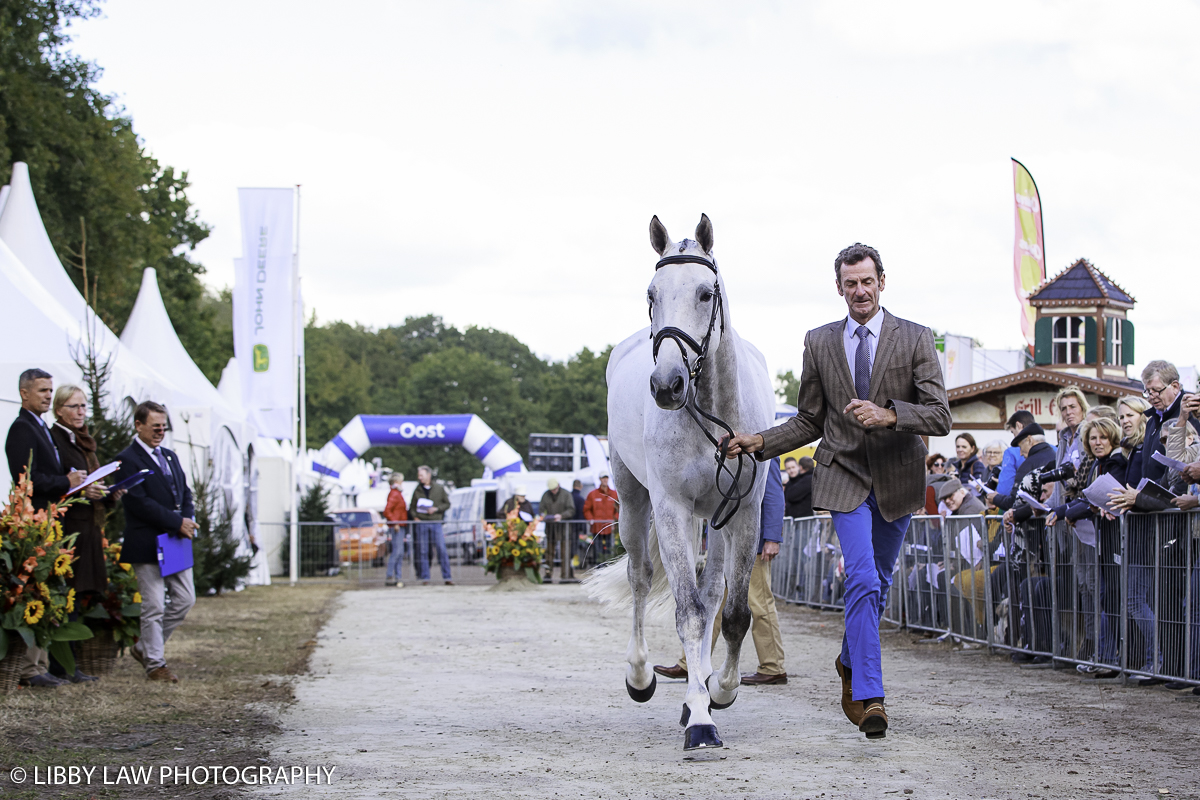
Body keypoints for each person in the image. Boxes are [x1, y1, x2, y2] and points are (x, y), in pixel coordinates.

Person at [722, 242, 951, 739]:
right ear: (840, 287)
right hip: (843, 475)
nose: (860, 290)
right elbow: (809, 419)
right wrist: (759, 441)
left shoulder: (914, 337)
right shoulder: (819, 341)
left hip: (897, 476)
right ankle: (871, 697)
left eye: (867, 281)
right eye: (851, 283)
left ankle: (849, 658)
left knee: (880, 581)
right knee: (863, 579)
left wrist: (890, 414)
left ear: (881, 282)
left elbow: (940, 414)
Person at [653, 467, 788, 686]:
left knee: (759, 603)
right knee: (712, 602)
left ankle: (773, 667)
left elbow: (772, 493)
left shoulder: (762, 437)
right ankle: (690, 662)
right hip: (725, 543)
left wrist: (772, 537)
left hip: (751, 543)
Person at [5, 369, 86, 688]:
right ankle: (30, 669)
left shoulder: (41, 428)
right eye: (41, 390)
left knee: (49, 592)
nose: (48, 396)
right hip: (36, 521)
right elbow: (28, 478)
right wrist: (65, 481)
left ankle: (40, 663)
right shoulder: (22, 429)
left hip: (52, 521)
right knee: (36, 590)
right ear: (24, 393)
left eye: (50, 390)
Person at [114, 401, 196, 683]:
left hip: (175, 540)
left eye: (163, 426)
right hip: (147, 542)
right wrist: (177, 522)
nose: (160, 431)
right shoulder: (127, 459)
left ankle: (144, 647)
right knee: (154, 606)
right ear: (139, 425)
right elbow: (139, 502)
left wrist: (187, 519)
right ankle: (155, 663)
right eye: (155, 427)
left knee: (185, 599)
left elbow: (185, 493)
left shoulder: (170, 457)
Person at [50, 384, 122, 683]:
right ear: (59, 410)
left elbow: (88, 483)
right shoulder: (56, 439)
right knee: (68, 594)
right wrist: (81, 488)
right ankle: (61, 665)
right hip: (70, 528)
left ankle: (72, 663)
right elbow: (59, 483)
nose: (80, 412)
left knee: (79, 595)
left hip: (87, 525)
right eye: (74, 407)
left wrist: (108, 493)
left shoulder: (83, 442)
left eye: (83, 407)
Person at [410, 465, 452, 585]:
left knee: (441, 549)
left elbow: (447, 504)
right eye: (419, 475)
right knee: (423, 551)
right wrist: (415, 516)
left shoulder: (439, 488)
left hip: (435, 522)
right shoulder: (417, 490)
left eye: (421, 475)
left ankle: (447, 577)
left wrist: (437, 509)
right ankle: (425, 577)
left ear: (428, 475)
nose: (419, 478)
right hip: (422, 523)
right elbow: (412, 507)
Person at [539, 479, 577, 581]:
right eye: (552, 490)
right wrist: (543, 516)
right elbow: (541, 510)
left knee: (565, 553)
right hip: (550, 529)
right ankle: (548, 575)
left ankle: (565, 576)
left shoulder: (566, 494)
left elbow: (571, 510)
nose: (553, 491)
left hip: (564, 529)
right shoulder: (545, 495)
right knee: (549, 553)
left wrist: (561, 516)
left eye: (555, 489)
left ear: (558, 486)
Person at [995, 410, 1035, 498]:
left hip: (1018, 505)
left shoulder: (1012, 452)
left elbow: (1004, 489)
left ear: (1018, 426)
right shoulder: (1053, 449)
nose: (1014, 437)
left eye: (1013, 432)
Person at [583, 473, 619, 558]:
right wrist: (591, 520)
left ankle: (608, 565)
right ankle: (598, 566)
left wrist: (615, 520)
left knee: (610, 548)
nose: (605, 480)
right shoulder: (593, 494)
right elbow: (586, 509)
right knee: (597, 549)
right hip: (597, 527)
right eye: (603, 478)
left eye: (606, 478)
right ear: (600, 479)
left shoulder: (614, 494)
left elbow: (619, 509)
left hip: (609, 527)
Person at [383, 473, 407, 587]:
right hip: (397, 526)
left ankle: (398, 576)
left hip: (400, 525)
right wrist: (395, 522)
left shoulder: (397, 493)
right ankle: (390, 575)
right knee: (397, 552)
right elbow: (387, 510)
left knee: (399, 552)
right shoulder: (394, 494)